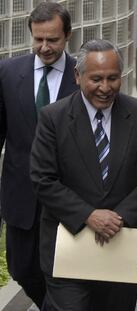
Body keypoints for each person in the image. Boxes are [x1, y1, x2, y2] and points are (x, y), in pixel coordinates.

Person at [30, 39, 137, 310]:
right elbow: (42, 179)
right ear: (78, 76)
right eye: (96, 79)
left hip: (121, 247)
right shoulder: (53, 118)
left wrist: (119, 217)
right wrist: (88, 215)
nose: (105, 88)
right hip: (68, 246)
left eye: (113, 78)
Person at [0, 2, 77, 308]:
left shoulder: (83, 75)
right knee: (21, 269)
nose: (44, 47)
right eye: (38, 39)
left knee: (63, 273)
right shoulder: (7, 72)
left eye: (52, 40)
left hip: (67, 196)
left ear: (67, 35)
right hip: (21, 195)